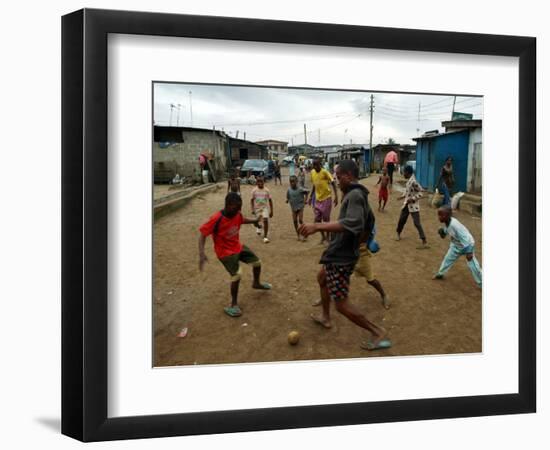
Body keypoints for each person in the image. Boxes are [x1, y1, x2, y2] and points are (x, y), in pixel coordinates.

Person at [298, 159, 391, 351]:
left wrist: (317, 226)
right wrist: (361, 242)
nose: (337, 181)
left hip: (342, 257)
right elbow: (369, 221)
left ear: (348, 176)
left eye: (339, 177)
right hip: (340, 252)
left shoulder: (355, 195)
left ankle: (378, 332)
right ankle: (325, 317)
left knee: (341, 304)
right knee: (322, 277)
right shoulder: (358, 194)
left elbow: (354, 223)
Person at [198, 193, 272, 317]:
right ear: (228, 205)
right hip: (224, 252)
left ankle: (256, 283)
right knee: (237, 275)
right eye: (237, 207)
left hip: (237, 246)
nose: (239, 210)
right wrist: (201, 253)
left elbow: (242, 219)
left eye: (240, 207)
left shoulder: (236, 214)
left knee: (257, 262)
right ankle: (233, 305)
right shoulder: (216, 219)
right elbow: (202, 235)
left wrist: (254, 221)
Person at [433, 205, 482, 288]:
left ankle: (482, 282)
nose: (439, 217)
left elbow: (467, 238)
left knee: (473, 265)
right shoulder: (447, 223)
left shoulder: (454, 225)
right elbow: (444, 235)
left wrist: (469, 252)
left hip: (467, 246)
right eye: (438, 215)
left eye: (441, 215)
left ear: (448, 215)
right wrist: (441, 232)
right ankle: (440, 274)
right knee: (447, 260)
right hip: (455, 246)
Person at [396, 165, 429, 249]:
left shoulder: (413, 182)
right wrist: (402, 196)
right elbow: (408, 192)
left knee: (417, 223)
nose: (403, 174)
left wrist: (413, 199)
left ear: (408, 172)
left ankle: (424, 240)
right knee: (401, 220)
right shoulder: (409, 181)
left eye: (404, 172)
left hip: (414, 206)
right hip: (407, 204)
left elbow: (421, 192)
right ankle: (398, 233)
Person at [309, 157, 339, 245]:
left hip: (326, 198)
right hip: (318, 200)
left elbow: (333, 182)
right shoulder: (312, 172)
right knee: (317, 220)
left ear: (320, 165)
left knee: (326, 220)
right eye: (313, 164)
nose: (315, 166)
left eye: (316, 164)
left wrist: (336, 196)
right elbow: (314, 185)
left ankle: (328, 237)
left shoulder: (325, 172)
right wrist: (311, 197)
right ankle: (323, 237)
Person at [250, 176, 274, 243]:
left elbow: (270, 200)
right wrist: (252, 209)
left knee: (265, 220)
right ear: (256, 182)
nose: (260, 183)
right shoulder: (254, 190)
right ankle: (258, 227)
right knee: (255, 222)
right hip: (257, 208)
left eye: (261, 181)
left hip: (264, 208)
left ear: (264, 182)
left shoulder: (266, 190)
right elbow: (252, 200)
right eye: (258, 181)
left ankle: (265, 237)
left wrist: (271, 211)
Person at [286, 175, 309, 241]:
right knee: (295, 221)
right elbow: (287, 196)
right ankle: (298, 234)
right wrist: (287, 200)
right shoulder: (289, 190)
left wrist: (305, 200)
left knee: (300, 220)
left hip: (300, 206)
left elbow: (307, 192)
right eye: (291, 182)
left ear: (296, 182)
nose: (292, 183)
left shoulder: (300, 189)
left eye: (293, 182)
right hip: (293, 207)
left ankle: (305, 233)